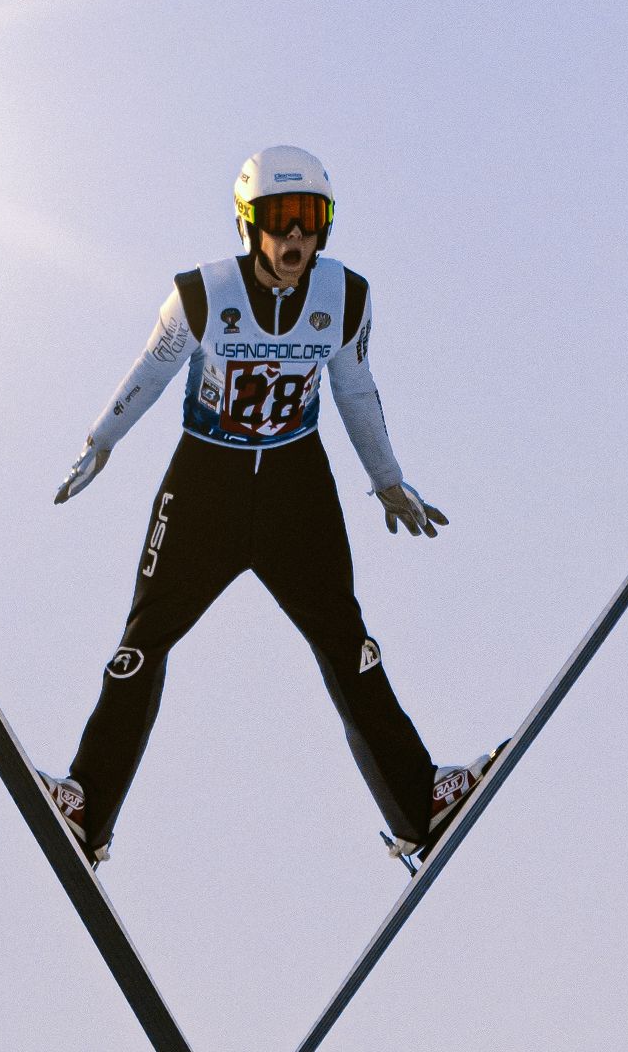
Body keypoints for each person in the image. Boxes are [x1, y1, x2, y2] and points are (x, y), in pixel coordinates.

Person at [39, 145, 498, 868]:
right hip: (206, 485)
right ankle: (87, 809)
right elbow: (151, 373)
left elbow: (354, 391)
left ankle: (421, 803)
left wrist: (386, 478)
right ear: (248, 226)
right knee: (142, 641)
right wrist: (102, 441)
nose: (295, 240)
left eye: (310, 222)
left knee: (347, 642)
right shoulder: (202, 294)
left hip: (294, 487)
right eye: (280, 222)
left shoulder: (342, 298)